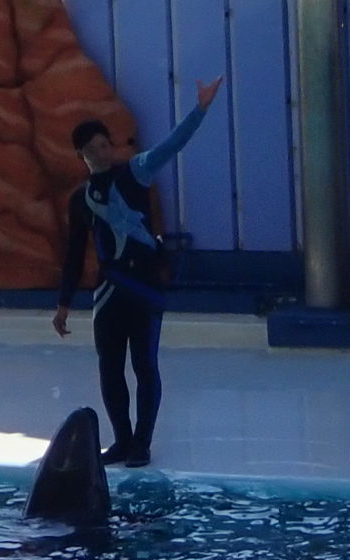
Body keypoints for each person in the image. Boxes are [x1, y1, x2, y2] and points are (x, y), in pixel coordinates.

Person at [53, 77, 224, 468]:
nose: (104, 151)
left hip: (145, 288)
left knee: (144, 364)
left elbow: (174, 143)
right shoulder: (80, 200)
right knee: (109, 366)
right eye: (94, 148)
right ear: (82, 154)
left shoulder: (136, 171)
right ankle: (122, 440)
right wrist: (63, 303)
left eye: (106, 144)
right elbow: (75, 253)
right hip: (108, 292)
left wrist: (200, 108)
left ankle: (142, 443)